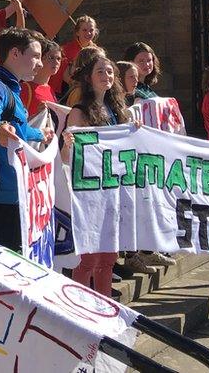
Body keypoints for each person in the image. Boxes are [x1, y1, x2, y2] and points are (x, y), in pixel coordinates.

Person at [0, 28, 55, 248]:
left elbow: (18, 130)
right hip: (1, 203)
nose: (39, 64)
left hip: (15, 196)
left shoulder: (10, 88)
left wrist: (41, 134)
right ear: (15, 54)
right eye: (36, 56)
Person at [62, 55, 131, 297]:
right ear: (89, 78)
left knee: (108, 260)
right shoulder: (79, 112)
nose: (107, 76)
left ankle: (105, 305)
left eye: (110, 71)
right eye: (101, 71)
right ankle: (81, 308)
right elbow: (65, 157)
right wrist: (68, 145)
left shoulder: (118, 111)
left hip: (112, 191)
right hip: (90, 195)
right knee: (88, 261)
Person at [50, 15, 98, 96]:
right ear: (77, 32)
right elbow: (65, 75)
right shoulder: (66, 50)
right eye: (84, 30)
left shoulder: (96, 50)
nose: (88, 33)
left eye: (91, 30)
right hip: (66, 91)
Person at [21, 37, 61, 116]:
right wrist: (36, 115)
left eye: (59, 59)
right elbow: (16, 122)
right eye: (51, 58)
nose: (56, 62)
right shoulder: (25, 88)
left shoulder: (50, 89)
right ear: (40, 59)